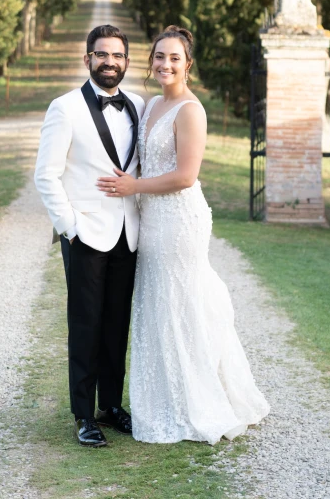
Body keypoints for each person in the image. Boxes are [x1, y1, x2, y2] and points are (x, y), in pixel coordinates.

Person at [97, 25, 270, 444]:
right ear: (150, 61)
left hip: (179, 221)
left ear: (187, 64)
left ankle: (196, 401)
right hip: (151, 220)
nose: (165, 64)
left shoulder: (191, 111)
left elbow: (186, 175)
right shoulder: (152, 104)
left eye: (174, 58)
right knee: (158, 304)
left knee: (181, 304)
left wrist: (133, 187)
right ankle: (166, 398)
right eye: (159, 57)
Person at [34, 24, 145, 447]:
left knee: (117, 324)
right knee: (86, 324)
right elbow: (46, 175)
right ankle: (84, 414)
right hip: (85, 234)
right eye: (101, 55)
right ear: (88, 59)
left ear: (126, 62)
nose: (109, 62)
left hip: (127, 234)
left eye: (117, 55)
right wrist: (70, 227)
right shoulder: (64, 108)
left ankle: (111, 406)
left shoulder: (138, 104)